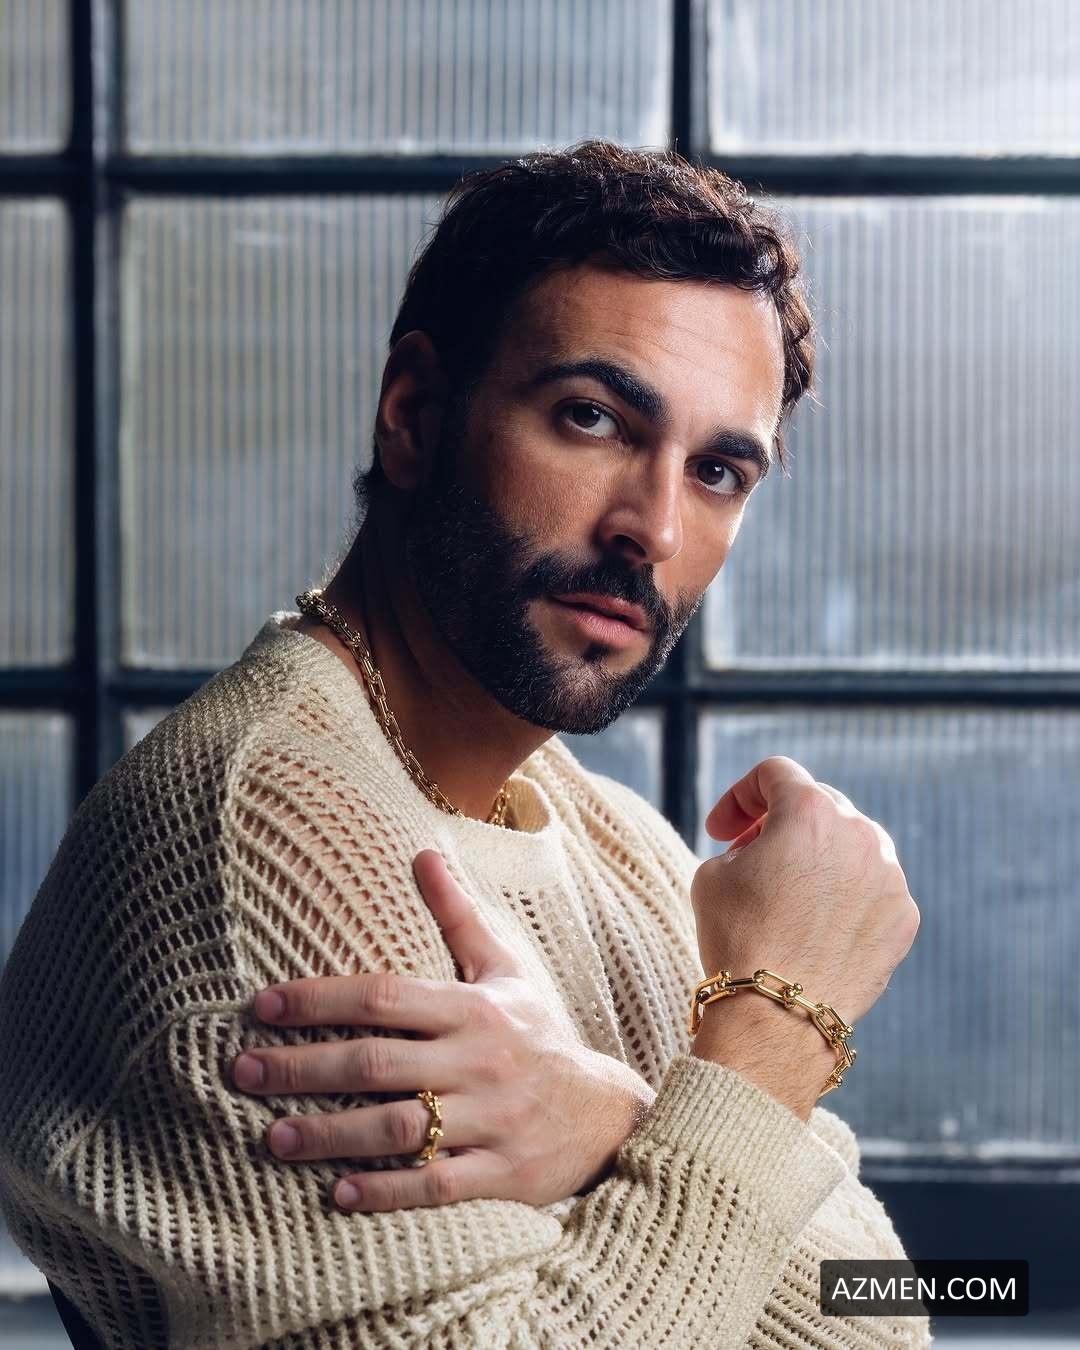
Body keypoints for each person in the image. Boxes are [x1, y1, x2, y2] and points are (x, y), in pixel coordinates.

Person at [0, 141, 927, 1348]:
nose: (652, 527)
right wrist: (771, 1037)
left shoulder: (605, 837)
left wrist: (614, 1116)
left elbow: (890, 1318)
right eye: (591, 419)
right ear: (414, 414)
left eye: (715, 471)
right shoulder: (271, 833)